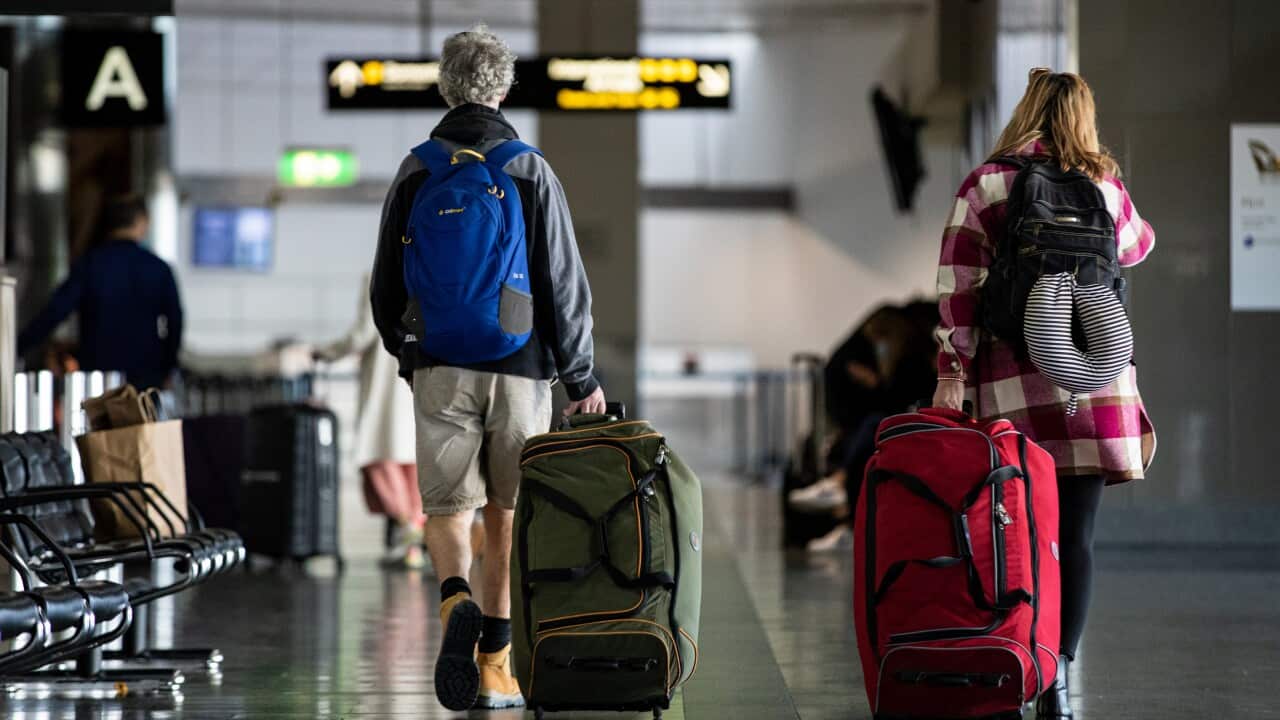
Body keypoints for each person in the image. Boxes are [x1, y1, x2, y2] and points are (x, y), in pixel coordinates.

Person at [370, 24, 605, 712]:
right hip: (521, 364)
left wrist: (407, 352)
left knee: (446, 508)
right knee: (504, 513)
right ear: (503, 89)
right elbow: (563, 280)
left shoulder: (416, 169)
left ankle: (453, 605)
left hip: (439, 360)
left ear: (446, 87)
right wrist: (581, 375)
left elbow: (386, 283)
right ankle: (496, 668)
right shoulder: (528, 167)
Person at [931, 68, 1156, 720]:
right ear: (1084, 116)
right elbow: (1139, 246)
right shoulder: (1105, 186)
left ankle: (1023, 662)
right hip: (1095, 386)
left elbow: (959, 286)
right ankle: (1059, 679)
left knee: (1022, 534)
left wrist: (952, 373)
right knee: (1077, 538)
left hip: (1015, 385)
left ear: (1026, 110)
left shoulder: (989, 185)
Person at [313, 274, 426, 569]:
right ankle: (412, 541)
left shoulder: (378, 274)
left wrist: (326, 353)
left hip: (385, 384)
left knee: (378, 458)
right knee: (410, 464)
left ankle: (408, 531)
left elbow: (364, 332)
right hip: (418, 378)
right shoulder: (427, 268)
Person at [18, 194, 183, 390]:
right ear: (142, 222)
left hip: (98, 378)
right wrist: (168, 366)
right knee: (144, 422)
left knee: (96, 422)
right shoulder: (159, 269)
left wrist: (18, 346)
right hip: (145, 377)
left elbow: (55, 311)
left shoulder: (90, 265)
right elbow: (175, 320)